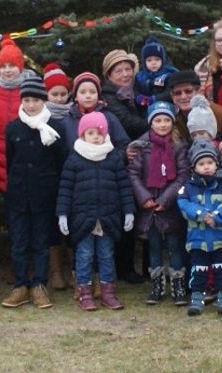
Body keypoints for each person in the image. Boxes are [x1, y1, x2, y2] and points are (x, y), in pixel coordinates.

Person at [56, 111, 135, 312]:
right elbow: (65, 189)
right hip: (83, 218)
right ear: (83, 135)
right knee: (84, 255)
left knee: (106, 255)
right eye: (91, 133)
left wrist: (129, 211)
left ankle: (108, 293)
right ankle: (85, 292)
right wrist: (62, 214)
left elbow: (124, 187)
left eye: (100, 133)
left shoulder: (114, 158)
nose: (96, 137)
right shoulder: (74, 160)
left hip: (108, 217)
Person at [1, 74, 67, 310]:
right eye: (27, 100)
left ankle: (39, 284)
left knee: (41, 242)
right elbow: (10, 160)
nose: (31, 105)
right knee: (19, 243)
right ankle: (20, 285)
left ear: (44, 101)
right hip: (19, 195)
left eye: (36, 100)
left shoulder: (55, 128)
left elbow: (61, 162)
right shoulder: (13, 128)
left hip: (44, 195)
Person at [127, 100, 190, 305]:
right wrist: (145, 197)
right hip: (149, 207)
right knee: (153, 247)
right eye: (158, 120)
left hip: (170, 205)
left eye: (166, 120)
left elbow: (183, 176)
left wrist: (165, 199)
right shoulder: (141, 145)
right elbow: (133, 173)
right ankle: (157, 285)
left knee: (174, 247)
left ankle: (178, 285)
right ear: (150, 122)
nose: (162, 124)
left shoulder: (178, 145)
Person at [177, 140, 222, 316]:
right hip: (198, 238)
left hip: (220, 237)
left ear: (216, 164)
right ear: (194, 167)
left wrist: (216, 217)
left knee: (221, 269)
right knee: (199, 269)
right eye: (201, 164)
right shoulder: (188, 188)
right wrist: (201, 214)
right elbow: (183, 204)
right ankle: (197, 298)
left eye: (210, 162)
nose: (206, 167)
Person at [0, 39, 35, 194]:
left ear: (20, 66)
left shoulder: (30, 88)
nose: (7, 70)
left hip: (23, 150)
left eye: (11, 65)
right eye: (3, 66)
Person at [169, 70, 222, 157]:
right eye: (177, 93)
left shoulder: (220, 113)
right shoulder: (170, 117)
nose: (183, 97)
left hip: (217, 162)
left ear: (198, 92)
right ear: (172, 97)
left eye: (188, 91)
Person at [101, 49, 148, 143]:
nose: (125, 74)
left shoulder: (135, 89)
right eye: (118, 71)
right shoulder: (108, 95)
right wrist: (155, 123)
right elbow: (128, 122)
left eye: (128, 69)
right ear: (109, 76)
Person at [134, 36, 178, 110]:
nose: (153, 63)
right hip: (144, 108)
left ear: (162, 60)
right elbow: (135, 90)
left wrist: (154, 99)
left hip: (164, 107)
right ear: (144, 62)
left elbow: (170, 92)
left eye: (157, 59)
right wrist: (138, 97)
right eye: (149, 60)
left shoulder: (168, 74)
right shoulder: (140, 76)